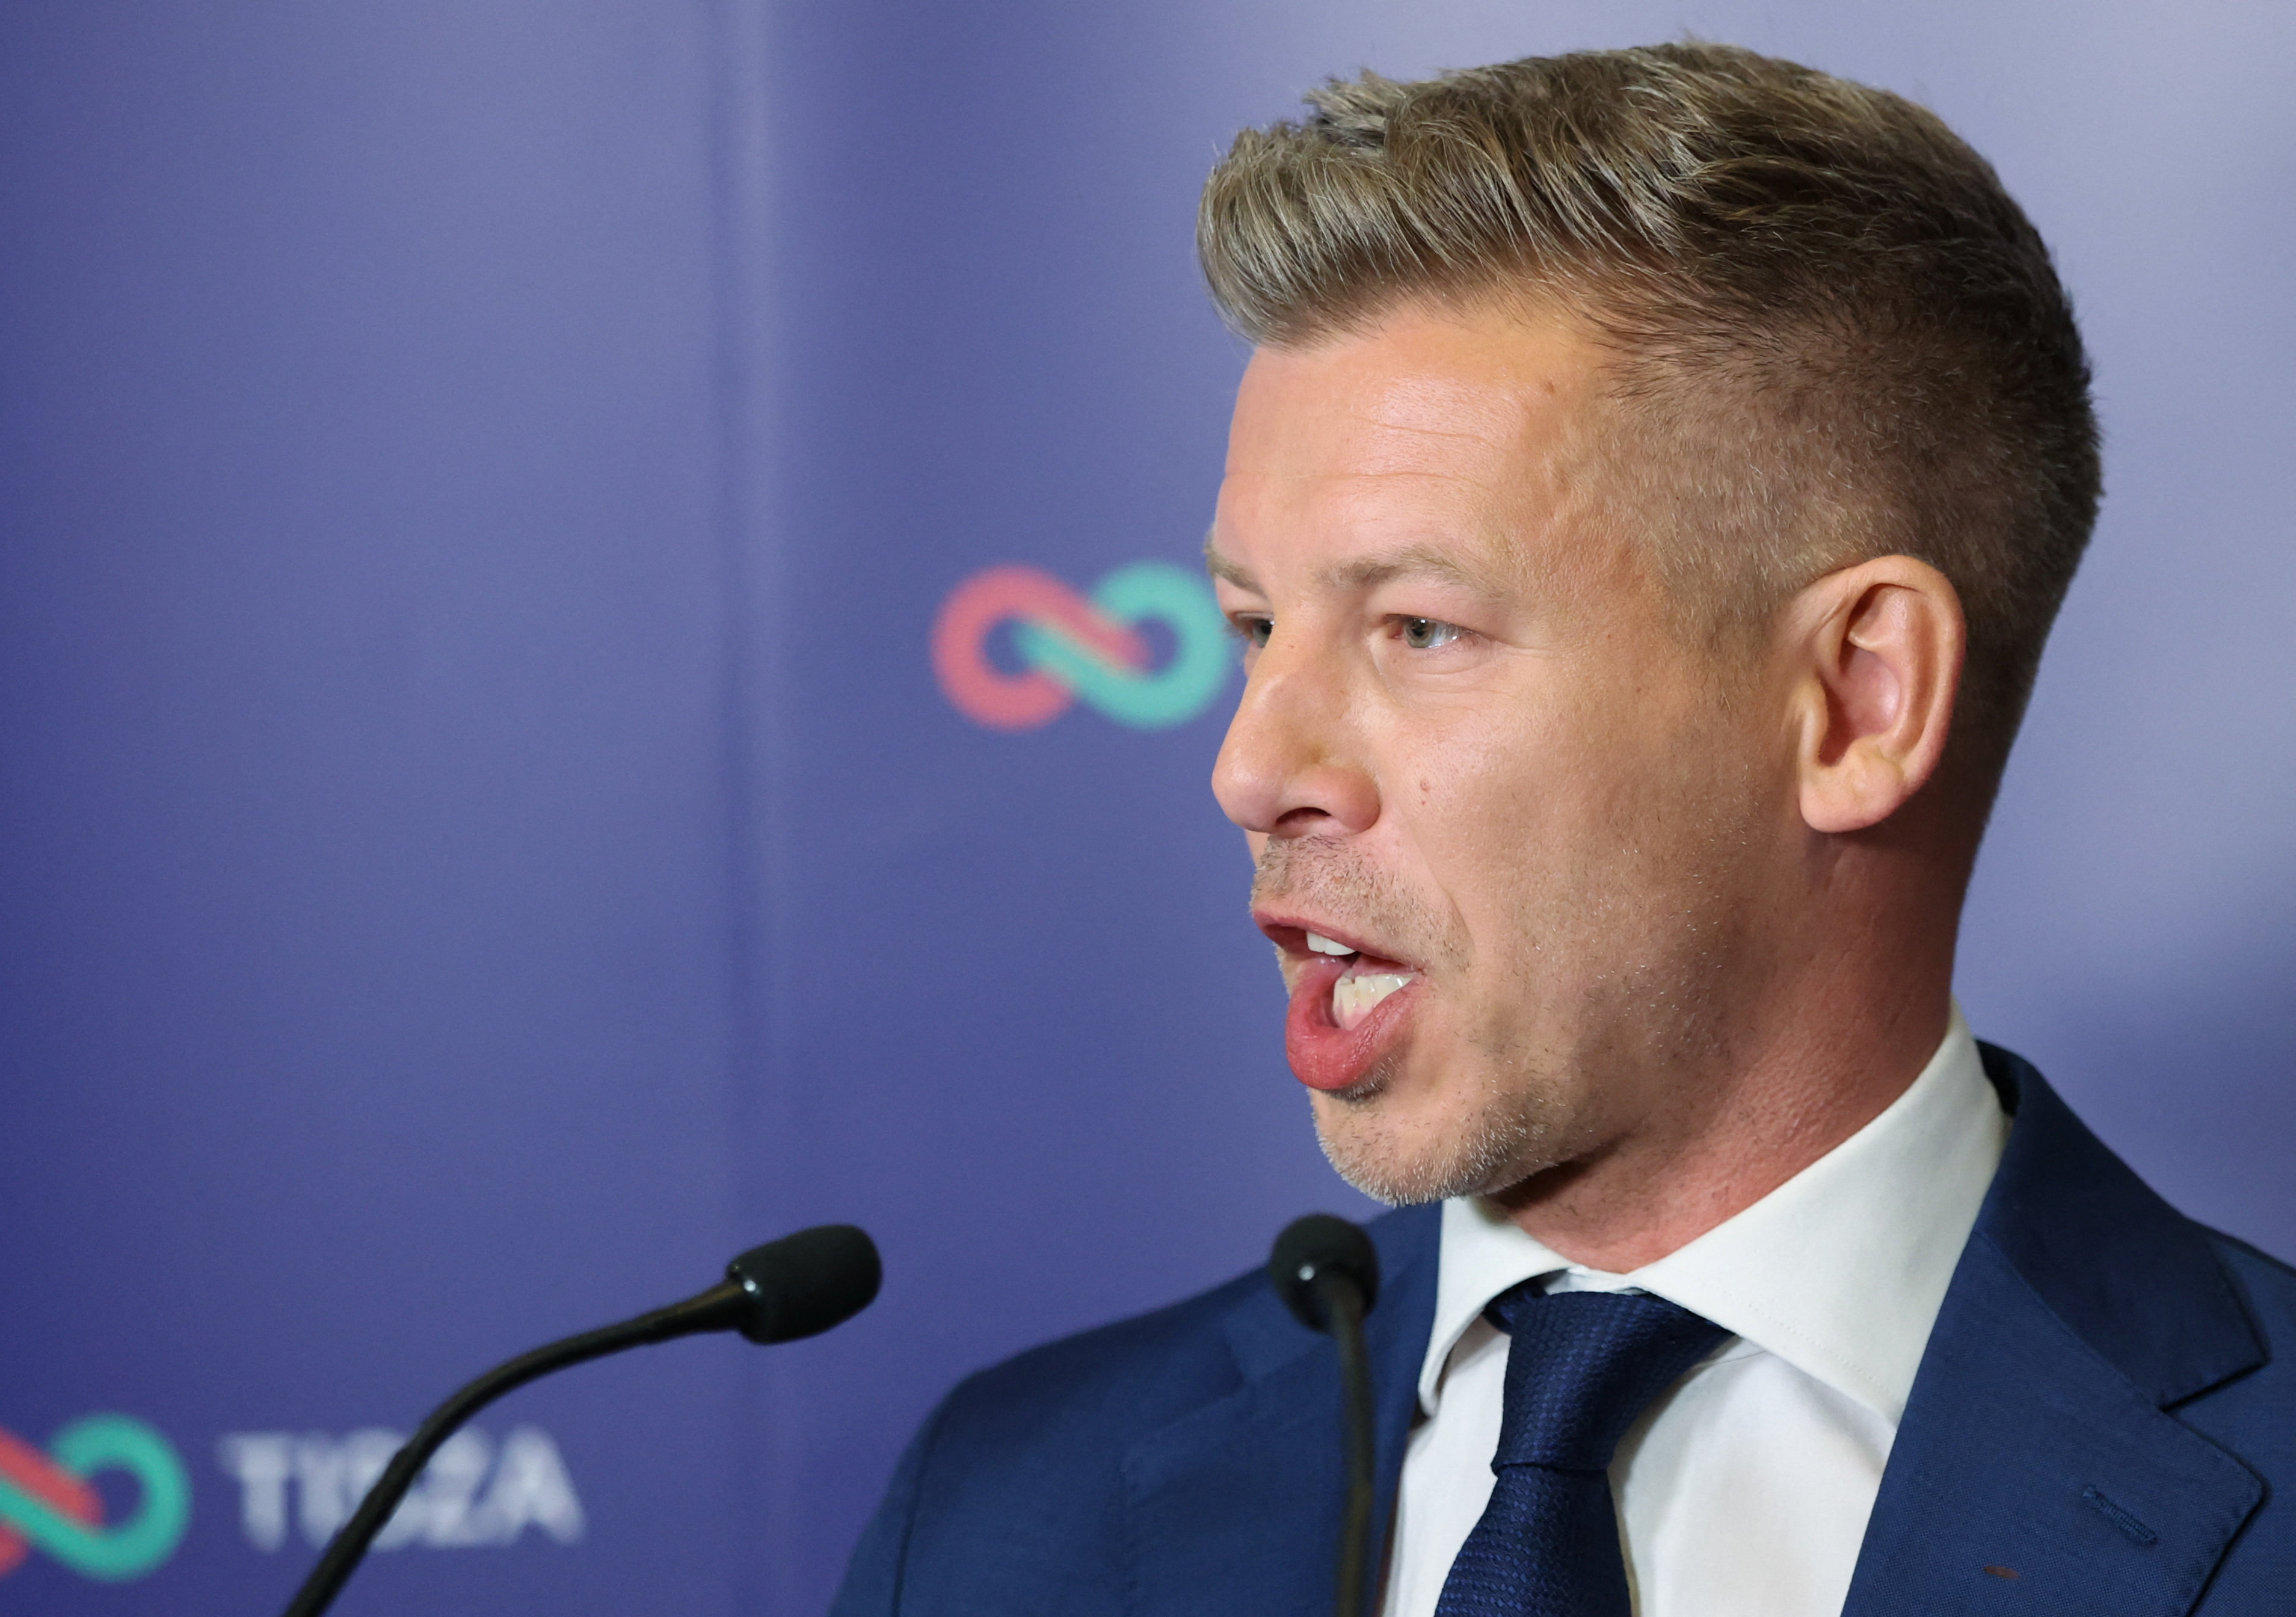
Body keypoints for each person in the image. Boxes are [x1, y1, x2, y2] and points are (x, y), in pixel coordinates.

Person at [831, 42, 2296, 1617]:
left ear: (1857, 700)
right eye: (1254, 626)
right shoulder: (1004, 1514)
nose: (1250, 769)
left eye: (1419, 629)